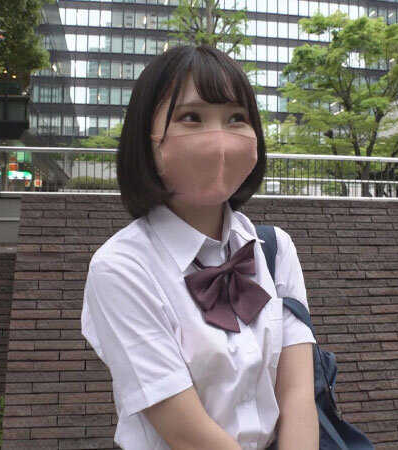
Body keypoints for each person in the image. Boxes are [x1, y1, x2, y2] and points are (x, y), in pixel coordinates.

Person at [80, 45, 319, 450]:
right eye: (191, 117)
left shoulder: (275, 249)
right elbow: (186, 433)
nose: (219, 140)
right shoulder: (121, 267)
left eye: (236, 118)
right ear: (147, 139)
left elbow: (298, 394)